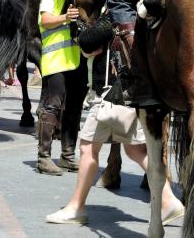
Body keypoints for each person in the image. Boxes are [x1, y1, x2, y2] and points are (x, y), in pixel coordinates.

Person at [45, 22, 184, 225]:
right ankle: (168, 200)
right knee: (136, 151)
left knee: (88, 149)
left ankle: (76, 208)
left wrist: (76, 26)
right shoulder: (140, 19)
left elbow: (88, 43)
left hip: (110, 96)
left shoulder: (114, 15)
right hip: (133, 94)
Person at [36, 0, 88, 175]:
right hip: (56, 59)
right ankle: (43, 158)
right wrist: (66, 17)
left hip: (77, 59)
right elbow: (45, 20)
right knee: (52, 106)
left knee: (74, 108)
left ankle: (67, 155)